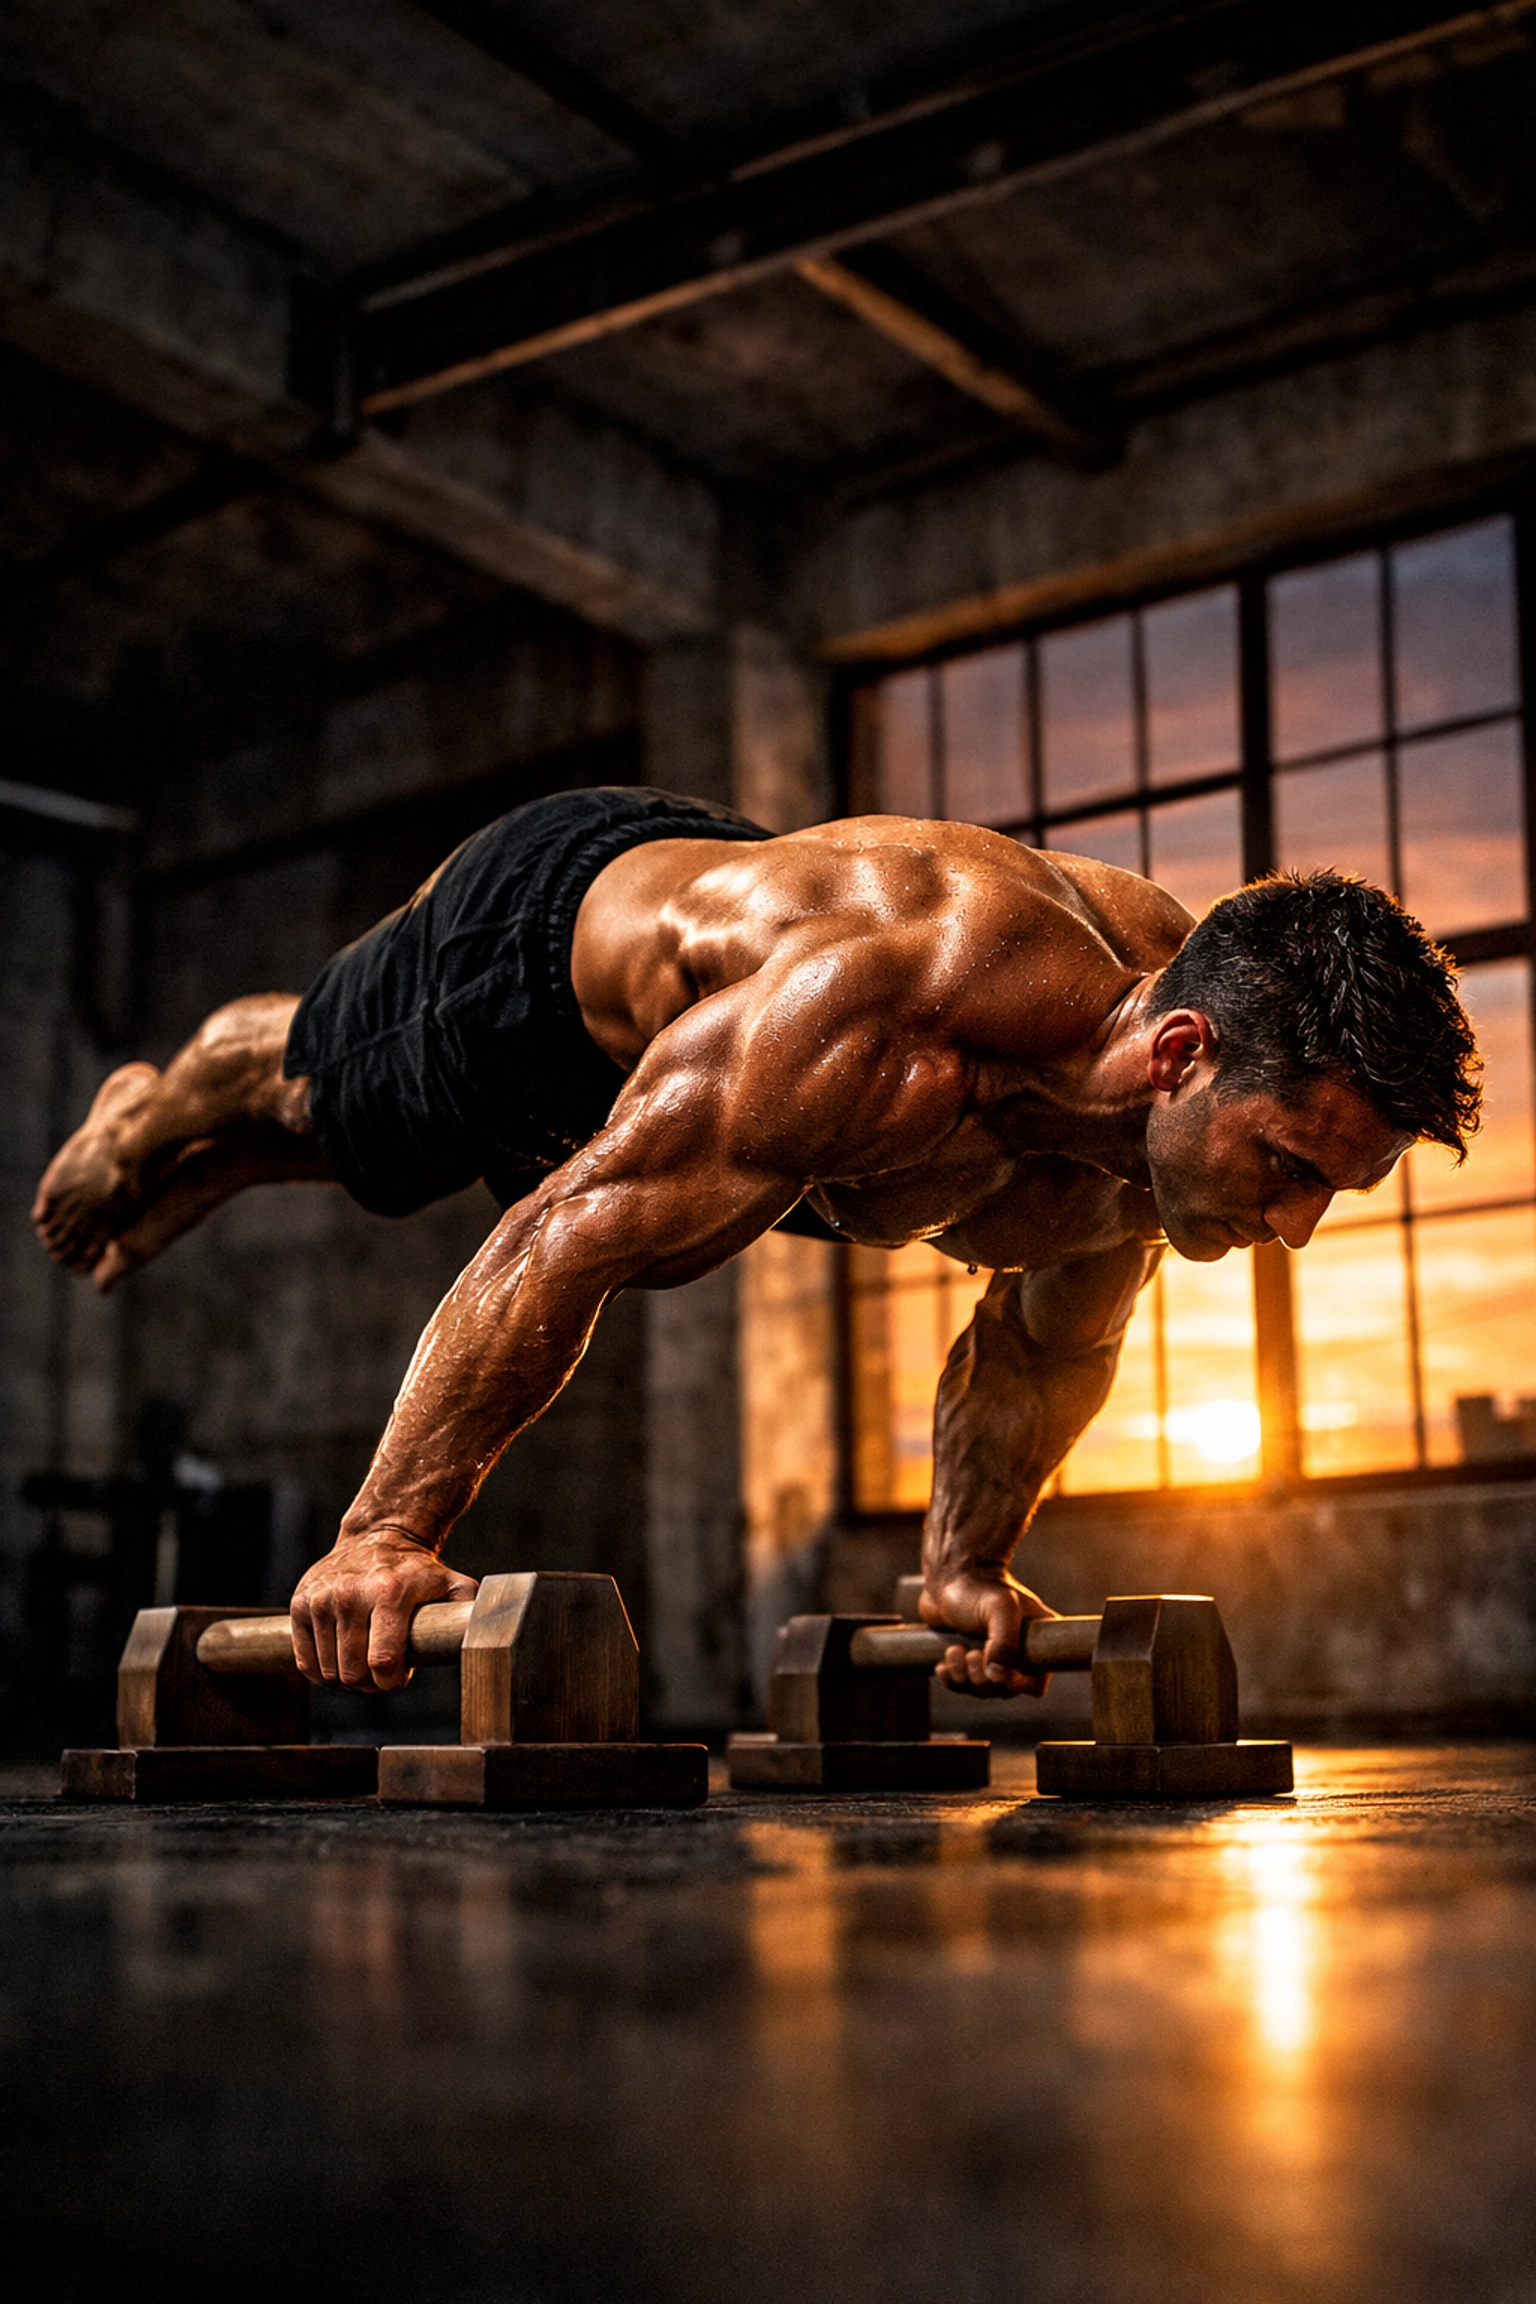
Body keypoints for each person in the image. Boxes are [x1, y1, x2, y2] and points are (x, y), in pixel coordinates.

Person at [33, 787, 1479, 1699]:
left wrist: (963, 1571)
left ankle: (204, 1158)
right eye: (1288, 1166)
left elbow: (1037, 1357)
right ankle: (150, 1115)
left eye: (1326, 1196)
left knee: (358, 1160)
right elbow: (567, 1235)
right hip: (538, 950)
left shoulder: (1129, 1173)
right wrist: (383, 1536)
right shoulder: (898, 1015)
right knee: (312, 1097)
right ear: (1178, 1052)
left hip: (720, 1044)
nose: (1292, 1228)